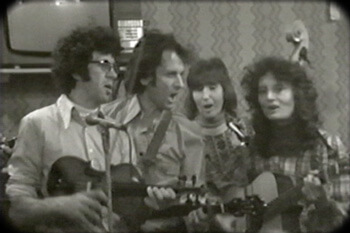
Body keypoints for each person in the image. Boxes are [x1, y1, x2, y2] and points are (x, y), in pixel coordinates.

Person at [5, 26, 173, 233]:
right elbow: (16, 209)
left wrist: (151, 205)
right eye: (104, 64)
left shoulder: (120, 133)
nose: (113, 74)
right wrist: (58, 206)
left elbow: (129, 221)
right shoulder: (38, 124)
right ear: (76, 69)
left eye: (115, 67)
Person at [101, 29, 206, 232]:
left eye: (181, 75)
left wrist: (200, 219)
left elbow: (195, 211)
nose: (181, 84)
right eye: (171, 75)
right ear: (145, 77)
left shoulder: (189, 133)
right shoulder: (105, 119)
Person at [240, 56, 350, 233]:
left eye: (279, 89)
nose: (269, 97)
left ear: (297, 95)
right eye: (262, 91)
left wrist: (322, 202)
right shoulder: (252, 147)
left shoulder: (327, 147)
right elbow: (237, 206)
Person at [184, 57, 251, 232]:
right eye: (198, 90)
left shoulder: (245, 130)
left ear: (224, 90)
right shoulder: (183, 137)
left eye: (212, 88)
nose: (206, 96)